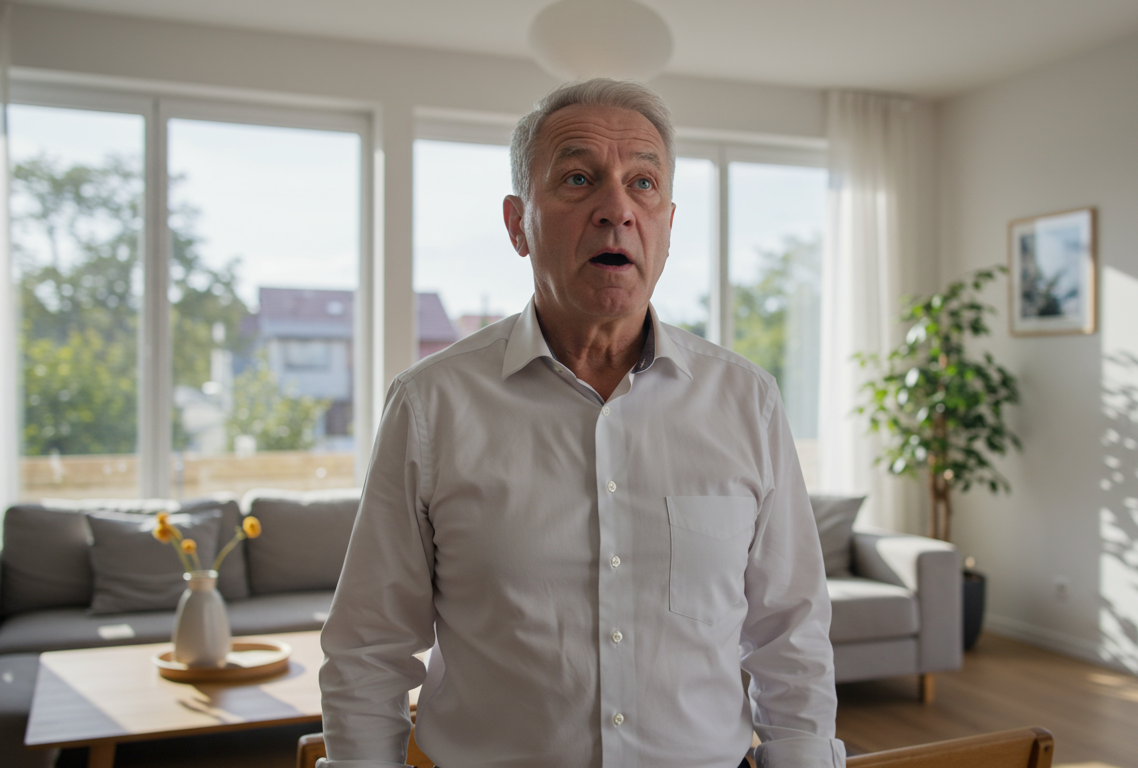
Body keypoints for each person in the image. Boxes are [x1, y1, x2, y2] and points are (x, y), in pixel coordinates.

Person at [319, 78, 846, 768]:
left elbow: (791, 632)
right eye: (578, 178)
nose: (617, 209)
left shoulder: (746, 400)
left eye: (644, 183)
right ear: (517, 224)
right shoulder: (431, 405)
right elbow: (368, 647)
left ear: (667, 224)